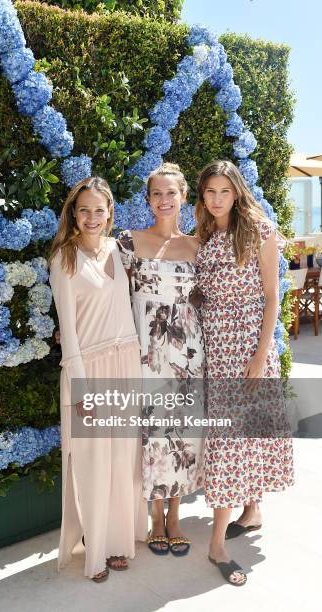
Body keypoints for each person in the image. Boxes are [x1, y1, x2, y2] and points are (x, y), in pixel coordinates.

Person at [195, 159, 294, 586]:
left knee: (231, 441)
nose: (217, 200)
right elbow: (198, 293)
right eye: (210, 192)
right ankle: (251, 511)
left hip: (249, 347)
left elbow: (272, 298)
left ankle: (216, 543)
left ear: (236, 192)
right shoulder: (204, 235)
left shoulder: (260, 231)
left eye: (224, 191)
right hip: (213, 347)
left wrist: (260, 354)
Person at [48, 176, 147, 583]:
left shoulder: (121, 251)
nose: (91, 217)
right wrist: (82, 388)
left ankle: (120, 542)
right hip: (88, 370)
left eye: (99, 209)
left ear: (110, 213)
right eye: (83, 209)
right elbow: (68, 331)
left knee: (124, 462)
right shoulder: (63, 258)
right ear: (74, 212)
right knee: (91, 463)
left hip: (126, 363)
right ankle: (94, 549)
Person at [117, 163, 204, 558]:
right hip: (146, 351)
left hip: (188, 351)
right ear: (148, 199)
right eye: (157, 193)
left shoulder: (199, 245)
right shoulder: (128, 242)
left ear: (184, 196)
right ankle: (155, 516)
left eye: (172, 193)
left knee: (183, 432)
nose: (165, 200)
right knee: (152, 431)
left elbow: (208, 297)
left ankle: (175, 517)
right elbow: (107, 292)